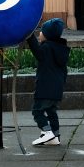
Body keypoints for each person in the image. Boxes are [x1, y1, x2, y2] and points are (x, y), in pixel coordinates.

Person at [26, 18, 70, 146]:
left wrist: (30, 37)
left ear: (47, 35)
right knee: (52, 111)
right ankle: (55, 136)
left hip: (45, 87)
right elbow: (64, 71)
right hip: (57, 89)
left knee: (37, 110)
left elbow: (37, 52)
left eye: (41, 32)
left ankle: (47, 132)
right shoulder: (61, 49)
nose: (39, 34)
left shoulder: (46, 48)